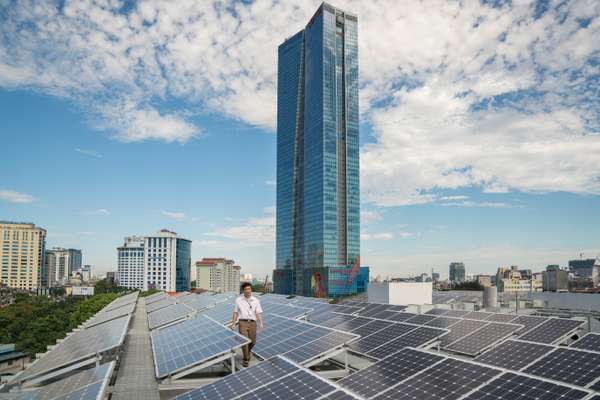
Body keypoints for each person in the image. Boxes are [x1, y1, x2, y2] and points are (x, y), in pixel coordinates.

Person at [231, 282, 264, 367]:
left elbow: (258, 313)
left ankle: (247, 352)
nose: (248, 291)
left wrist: (261, 323)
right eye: (246, 289)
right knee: (244, 341)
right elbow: (235, 313)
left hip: (253, 322)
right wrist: (234, 323)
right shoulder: (238, 300)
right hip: (242, 322)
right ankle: (246, 359)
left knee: (253, 342)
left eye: (249, 289)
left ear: (251, 290)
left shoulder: (256, 300)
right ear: (243, 290)